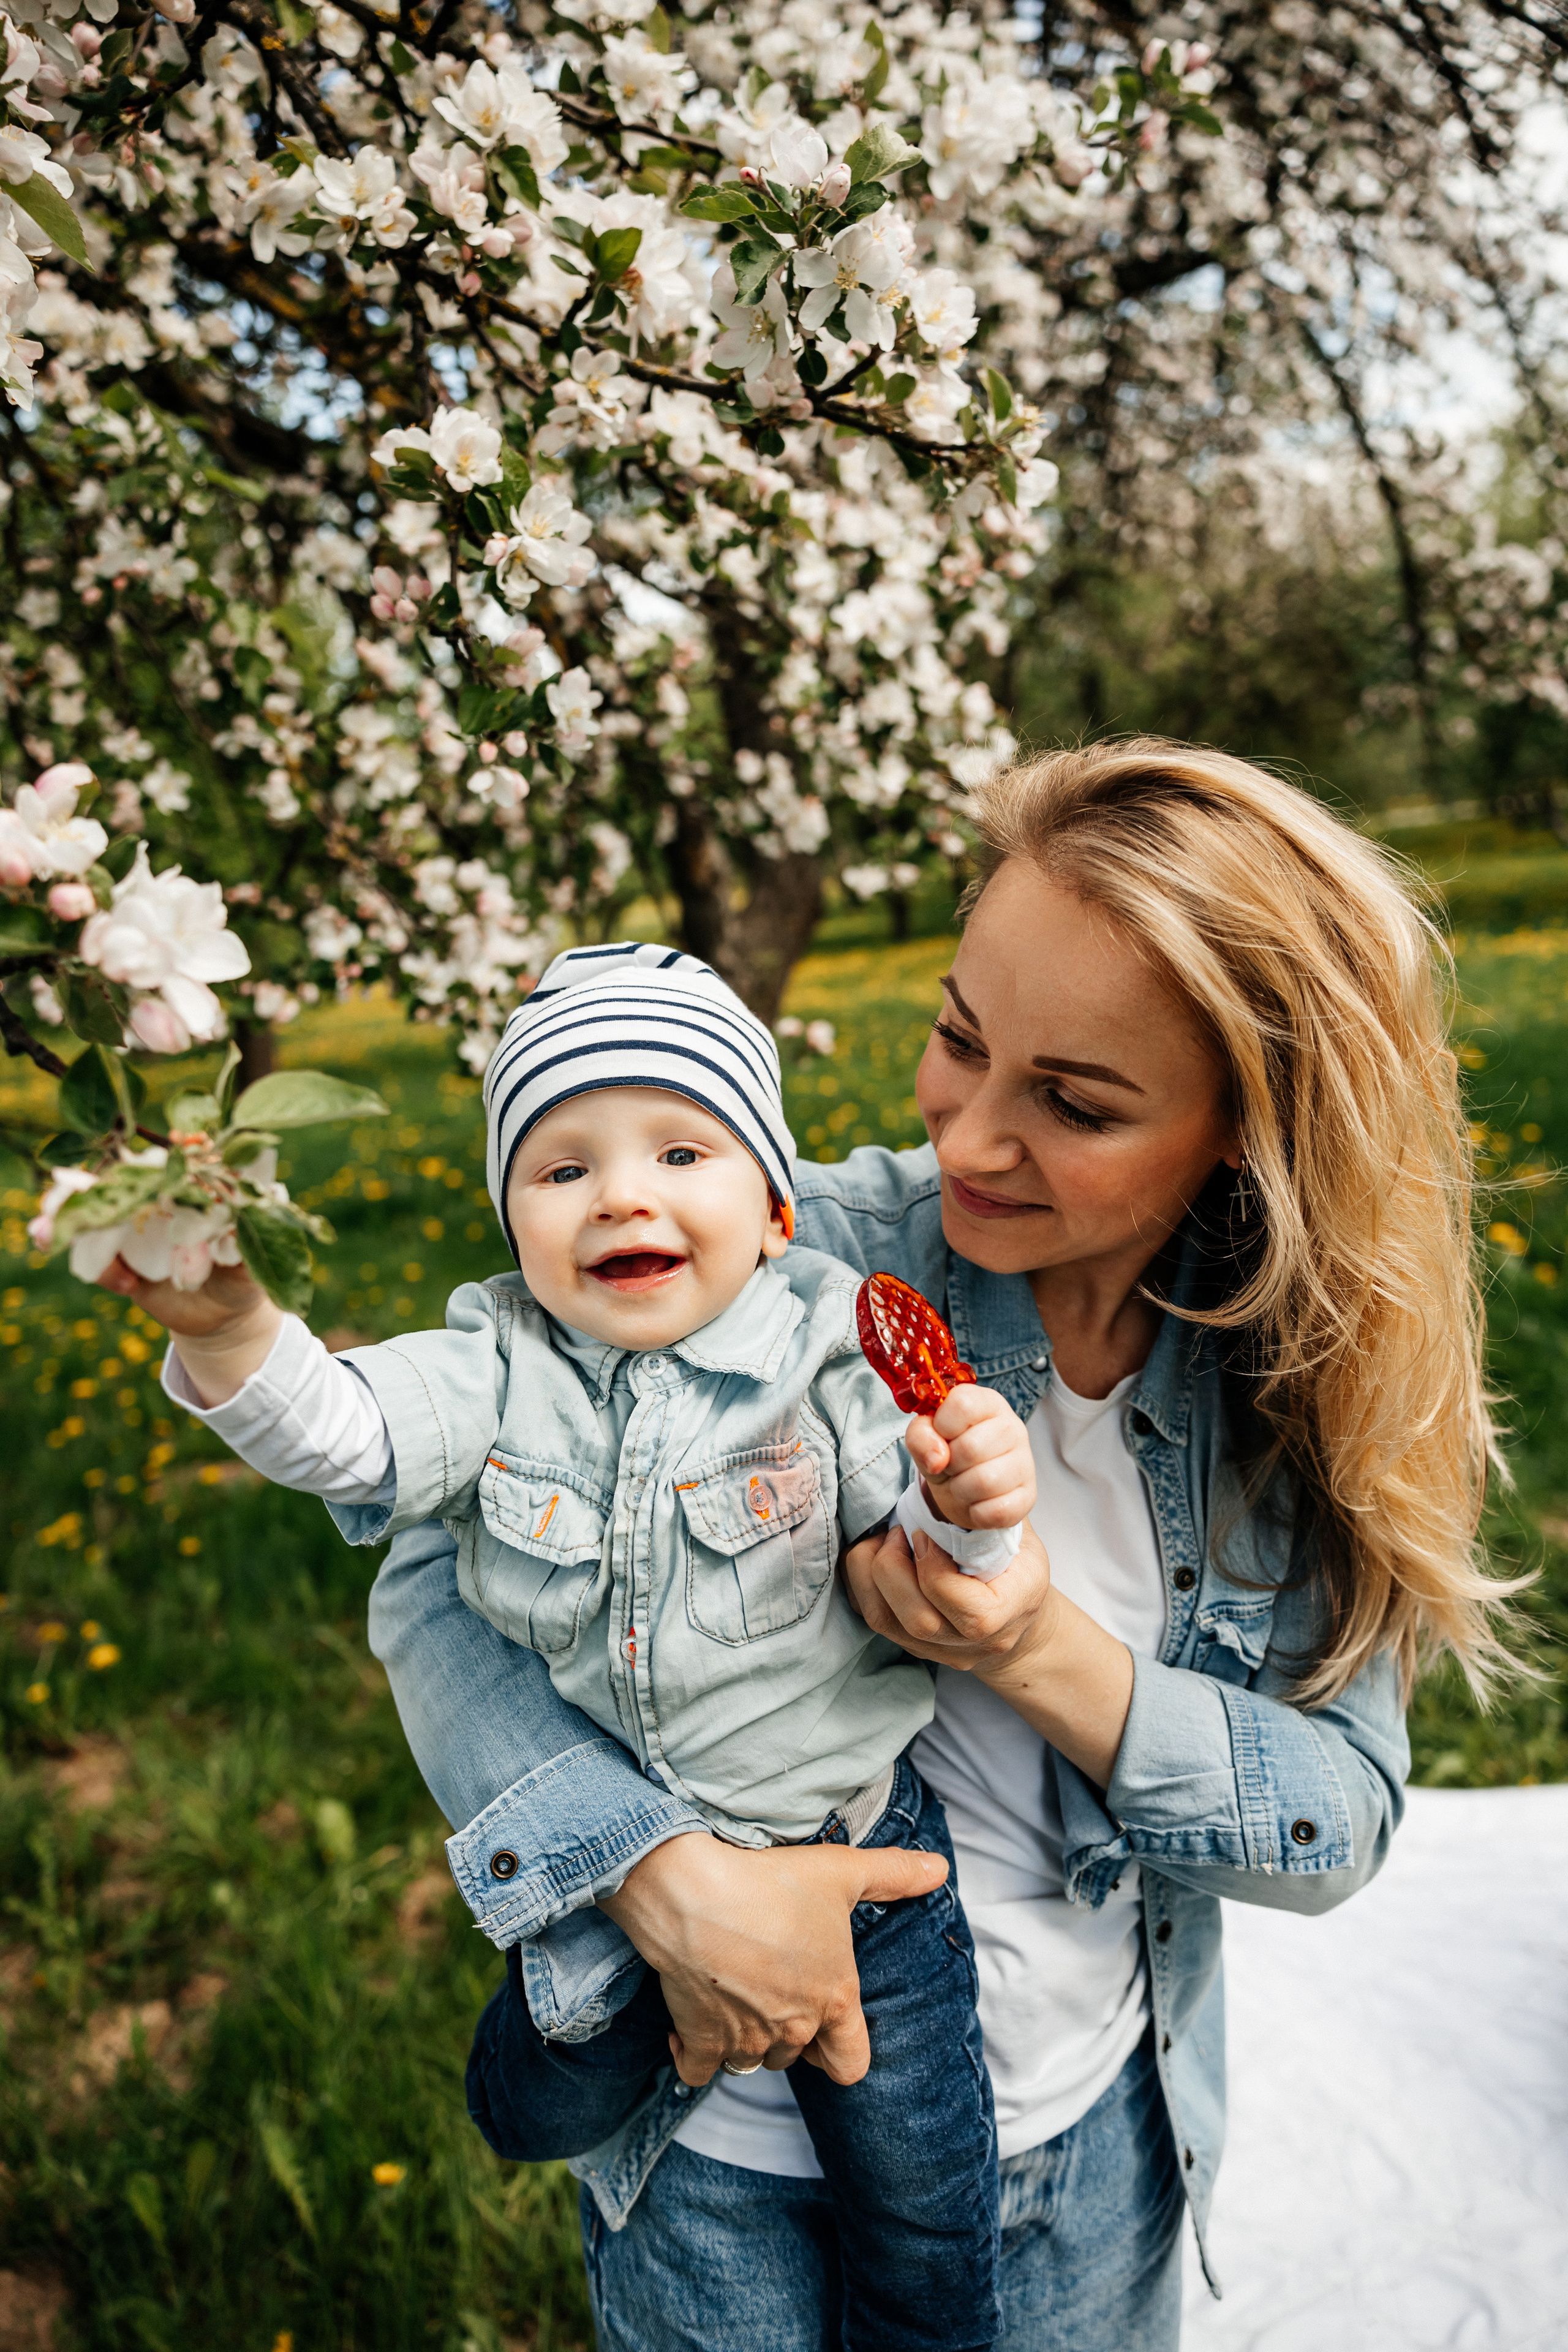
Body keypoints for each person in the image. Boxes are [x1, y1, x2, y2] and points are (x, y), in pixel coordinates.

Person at [354, 741, 1512, 2351]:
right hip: (714, 2146)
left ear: (1246, 1133)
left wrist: (1033, 1648)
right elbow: (434, 1574)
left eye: (1075, 1103)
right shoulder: (789, 1254)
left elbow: (1337, 1818)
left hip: (1087, 2149)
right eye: (957, 1042)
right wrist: (665, 1884)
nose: (967, 1138)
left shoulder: (1291, 1398)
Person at [105, 942, 1038, 2352]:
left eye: (680, 1149)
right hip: (620, 1871)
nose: (621, 1194)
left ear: (775, 1208)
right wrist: (238, 1329)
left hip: (857, 1848)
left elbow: (912, 1546)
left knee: (920, 2200)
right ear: (513, 1224)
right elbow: (344, 1432)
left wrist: (971, 1508)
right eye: (560, 1169)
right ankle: (535, 2056)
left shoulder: (827, 1350)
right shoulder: (492, 1362)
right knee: (542, 2107)